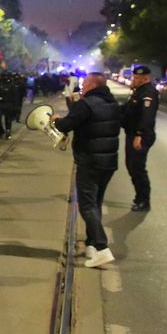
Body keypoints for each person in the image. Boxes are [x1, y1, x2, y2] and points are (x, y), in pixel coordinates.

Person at [52, 72, 120, 268]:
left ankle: (102, 247)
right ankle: (91, 245)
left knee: (87, 205)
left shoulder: (87, 103)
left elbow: (68, 124)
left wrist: (56, 119)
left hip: (89, 160)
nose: (82, 86)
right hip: (108, 161)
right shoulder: (111, 103)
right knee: (96, 202)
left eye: (85, 83)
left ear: (90, 84)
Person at [121, 65, 159, 212]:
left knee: (137, 168)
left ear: (146, 78)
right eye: (134, 77)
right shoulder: (138, 92)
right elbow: (127, 110)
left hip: (140, 135)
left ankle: (144, 200)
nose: (134, 80)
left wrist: (139, 135)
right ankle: (139, 197)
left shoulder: (148, 93)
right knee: (132, 166)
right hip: (132, 134)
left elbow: (146, 117)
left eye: (137, 78)